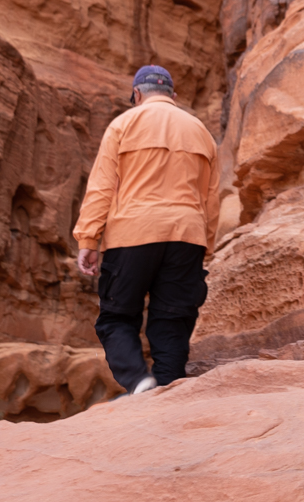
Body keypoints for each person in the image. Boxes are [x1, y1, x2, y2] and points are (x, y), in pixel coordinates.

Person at [74, 65, 221, 395]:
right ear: (173, 96)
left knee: (117, 317)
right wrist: (205, 245)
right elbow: (212, 198)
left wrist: (88, 238)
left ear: (137, 94)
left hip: (132, 233)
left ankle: (139, 381)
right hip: (187, 236)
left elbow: (101, 187)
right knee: (172, 320)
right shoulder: (200, 131)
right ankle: (167, 390)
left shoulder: (123, 124)